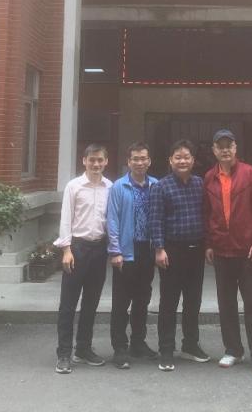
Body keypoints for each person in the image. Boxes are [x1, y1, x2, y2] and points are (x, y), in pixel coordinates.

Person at [202, 129, 252, 376]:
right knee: (226, 303)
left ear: (235, 148)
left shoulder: (250, 173)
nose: (225, 150)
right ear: (214, 150)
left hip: (247, 250)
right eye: (220, 146)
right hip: (222, 250)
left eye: (229, 145)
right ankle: (233, 349)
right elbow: (207, 214)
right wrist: (209, 244)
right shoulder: (209, 177)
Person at [148, 139, 210, 371]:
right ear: (170, 161)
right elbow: (155, 220)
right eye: (178, 157)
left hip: (196, 250)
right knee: (169, 302)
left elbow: (206, 215)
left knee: (193, 301)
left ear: (193, 161)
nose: (182, 161)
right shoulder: (161, 187)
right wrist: (159, 249)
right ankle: (166, 349)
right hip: (171, 251)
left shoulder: (199, 184)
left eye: (186, 157)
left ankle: (190, 345)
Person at [54, 144, 113, 374]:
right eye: (92, 160)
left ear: (106, 161)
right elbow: (65, 219)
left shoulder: (110, 187)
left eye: (100, 160)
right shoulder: (74, 186)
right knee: (68, 304)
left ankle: (83, 348)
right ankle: (64, 353)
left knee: (91, 303)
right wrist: (66, 249)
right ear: (84, 161)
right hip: (77, 249)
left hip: (99, 249)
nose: (96, 164)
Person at [106, 141, 159, 369]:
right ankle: (120, 348)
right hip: (126, 252)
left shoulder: (156, 185)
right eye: (135, 159)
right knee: (121, 301)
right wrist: (115, 250)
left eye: (143, 158)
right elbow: (112, 220)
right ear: (128, 162)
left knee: (142, 299)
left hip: (147, 250)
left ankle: (138, 343)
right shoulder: (119, 187)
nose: (139, 162)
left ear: (149, 161)